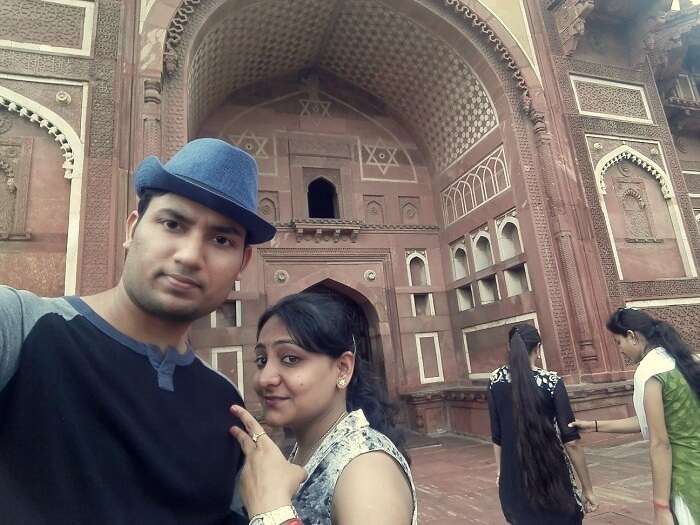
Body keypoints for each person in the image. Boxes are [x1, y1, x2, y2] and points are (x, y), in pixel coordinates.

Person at [0, 138, 276, 524]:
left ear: (242, 262)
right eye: (172, 224)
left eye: (221, 239)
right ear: (133, 227)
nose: (190, 255)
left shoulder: (224, 403)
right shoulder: (23, 328)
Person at [229, 292, 416, 525]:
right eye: (261, 360)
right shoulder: (307, 448)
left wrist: (270, 509)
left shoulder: (366, 470)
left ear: (342, 369)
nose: (265, 378)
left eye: (290, 359)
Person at [570, 308, 700, 525]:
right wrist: (593, 425)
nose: (620, 350)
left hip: (685, 475)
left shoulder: (649, 372)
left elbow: (660, 444)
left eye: (618, 342)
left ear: (632, 336)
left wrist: (660, 506)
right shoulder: (681, 361)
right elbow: (651, 421)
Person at [487, 324, 598, 525]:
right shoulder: (551, 382)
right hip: (552, 479)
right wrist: (587, 488)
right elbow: (571, 441)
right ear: (538, 348)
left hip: (513, 480)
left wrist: (501, 473)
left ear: (510, 348)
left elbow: (497, 435)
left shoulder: (495, 380)